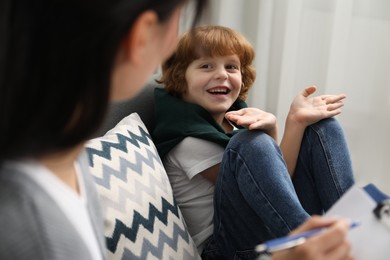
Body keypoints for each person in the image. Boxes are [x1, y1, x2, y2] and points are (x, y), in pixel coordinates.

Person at [0, 0, 207, 259]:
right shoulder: (38, 240)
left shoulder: (66, 158)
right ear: (142, 35)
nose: (175, 43)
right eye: (180, 17)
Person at [153, 25, 355, 259]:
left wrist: (296, 122)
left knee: (321, 127)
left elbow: (274, 184)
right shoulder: (187, 139)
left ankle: (357, 229)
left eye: (231, 67)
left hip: (267, 225)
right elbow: (261, 181)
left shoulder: (233, 123)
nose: (222, 74)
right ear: (180, 76)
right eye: (206, 66)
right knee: (249, 142)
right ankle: (317, 247)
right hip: (224, 248)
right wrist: (272, 130)